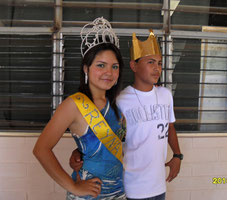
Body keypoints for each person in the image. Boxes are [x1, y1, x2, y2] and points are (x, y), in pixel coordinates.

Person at [70, 30, 183, 200]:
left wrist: (177, 155)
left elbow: (170, 126)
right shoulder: (120, 100)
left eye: (159, 63)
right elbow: (101, 135)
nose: (157, 68)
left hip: (158, 185)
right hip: (129, 185)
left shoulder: (166, 95)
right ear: (134, 66)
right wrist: (78, 151)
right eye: (151, 62)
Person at [33, 17, 127, 200]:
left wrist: (81, 152)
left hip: (120, 191)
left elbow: (111, 145)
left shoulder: (116, 103)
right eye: (101, 65)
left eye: (114, 67)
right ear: (86, 68)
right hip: (90, 195)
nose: (109, 72)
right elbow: (41, 149)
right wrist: (74, 187)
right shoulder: (74, 105)